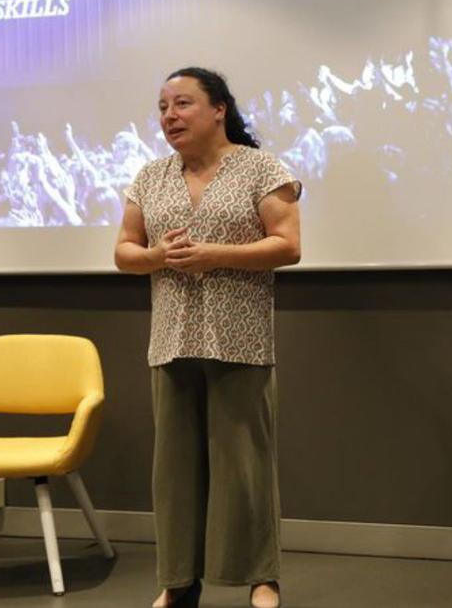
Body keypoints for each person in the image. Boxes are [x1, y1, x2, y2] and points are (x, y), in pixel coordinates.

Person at [114, 67, 301, 608]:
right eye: (163, 107)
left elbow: (287, 245)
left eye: (183, 104)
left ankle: (261, 577)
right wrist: (156, 257)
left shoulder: (260, 168)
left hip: (239, 340)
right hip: (170, 339)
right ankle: (176, 581)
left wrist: (215, 255)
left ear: (219, 109)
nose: (170, 116)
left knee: (245, 465)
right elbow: (124, 250)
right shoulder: (150, 176)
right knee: (174, 473)